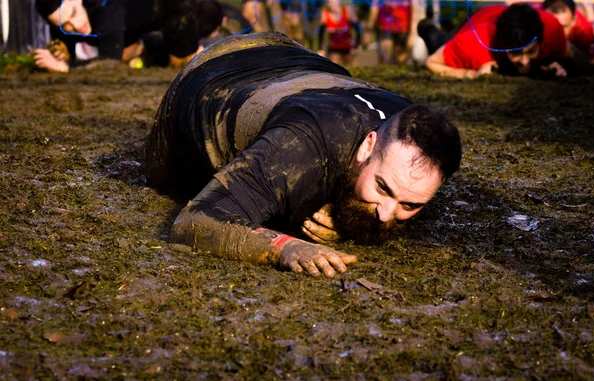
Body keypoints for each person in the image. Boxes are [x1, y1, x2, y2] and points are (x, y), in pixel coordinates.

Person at [145, 32, 462, 278]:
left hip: (302, 60)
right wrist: (287, 246)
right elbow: (193, 222)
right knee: (160, 174)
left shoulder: (413, 132)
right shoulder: (298, 148)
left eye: (410, 205)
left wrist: (350, 219)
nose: (386, 213)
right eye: (383, 188)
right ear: (367, 145)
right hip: (214, 68)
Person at [33, 0, 200, 73]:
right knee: (123, 49)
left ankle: (196, 50)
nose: (76, 26)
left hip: (175, 10)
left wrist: (65, 67)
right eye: (65, 25)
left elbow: (110, 62)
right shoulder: (62, 18)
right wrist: (62, 53)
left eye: (74, 14)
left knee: (181, 67)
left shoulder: (107, 12)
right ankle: (140, 48)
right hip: (134, 26)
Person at [425, 3, 573, 79]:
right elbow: (431, 62)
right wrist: (470, 74)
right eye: (516, 53)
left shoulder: (552, 29)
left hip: (500, 12)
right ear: (501, 44)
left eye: (531, 51)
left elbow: (570, 57)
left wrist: (562, 65)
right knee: (439, 42)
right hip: (474, 22)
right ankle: (429, 29)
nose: (525, 61)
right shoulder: (475, 43)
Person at [364, 0, 420, 64]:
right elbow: (374, 8)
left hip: (403, 29)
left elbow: (415, 10)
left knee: (400, 61)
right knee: (385, 61)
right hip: (385, 29)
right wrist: (368, 31)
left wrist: (413, 34)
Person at [542, 0, 594, 64]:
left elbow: (593, 61)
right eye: (551, 26)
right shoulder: (536, 23)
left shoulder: (585, 31)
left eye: (563, 27)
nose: (556, 33)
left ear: (574, 21)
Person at [317, 0, 361, 66]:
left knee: (352, 68)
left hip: (348, 48)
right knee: (334, 67)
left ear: (339, 2)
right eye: (330, 2)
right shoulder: (325, 15)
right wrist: (320, 49)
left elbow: (358, 29)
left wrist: (356, 45)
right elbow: (321, 33)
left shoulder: (346, 12)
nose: (332, 4)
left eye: (334, 2)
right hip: (334, 48)